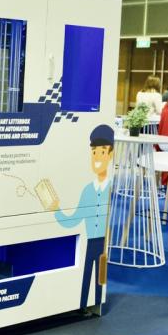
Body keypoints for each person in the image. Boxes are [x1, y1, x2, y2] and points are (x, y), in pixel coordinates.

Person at [49, 125, 114, 309]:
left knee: (99, 280)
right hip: (89, 243)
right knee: (85, 278)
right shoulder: (87, 190)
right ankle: (83, 307)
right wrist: (56, 209)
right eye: (94, 152)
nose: (97, 158)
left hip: (103, 242)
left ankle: (95, 304)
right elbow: (74, 219)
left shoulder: (111, 188)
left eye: (102, 152)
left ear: (110, 155)